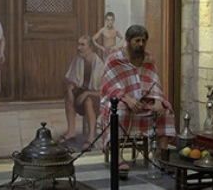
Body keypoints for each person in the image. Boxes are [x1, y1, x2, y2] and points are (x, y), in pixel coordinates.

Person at [101, 24, 175, 178]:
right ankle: (117, 157)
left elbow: (154, 82)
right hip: (121, 100)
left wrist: (158, 101)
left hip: (144, 102)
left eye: (143, 41)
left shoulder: (149, 59)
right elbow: (108, 85)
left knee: (165, 111)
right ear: (128, 41)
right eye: (137, 41)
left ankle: (161, 157)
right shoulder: (115, 59)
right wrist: (127, 99)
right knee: (119, 111)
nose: (141, 44)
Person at [59, 36, 104, 147]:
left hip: (95, 95)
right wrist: (70, 90)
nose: (78, 48)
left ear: (91, 47)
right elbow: (72, 81)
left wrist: (87, 93)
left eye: (82, 45)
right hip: (82, 92)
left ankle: (91, 135)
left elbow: (103, 91)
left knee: (88, 101)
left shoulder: (99, 65)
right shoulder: (77, 60)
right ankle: (71, 131)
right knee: (68, 95)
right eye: (78, 44)